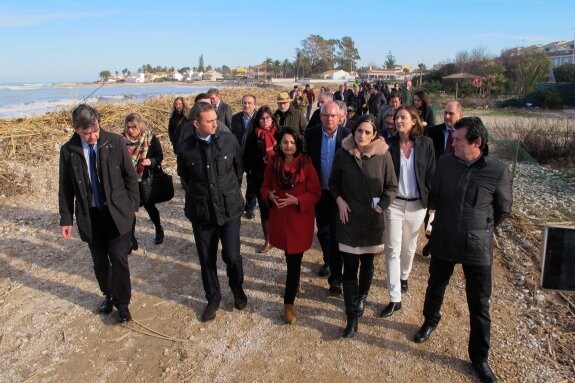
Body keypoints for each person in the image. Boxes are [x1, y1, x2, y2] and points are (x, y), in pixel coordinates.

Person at [413, 117, 512, 383]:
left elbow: (503, 209)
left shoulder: (497, 171)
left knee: (479, 302)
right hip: (444, 238)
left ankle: (479, 357)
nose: (452, 142)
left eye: (457, 139)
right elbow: (434, 198)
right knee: (435, 286)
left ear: (476, 143)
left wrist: (481, 228)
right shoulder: (445, 164)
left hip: (477, 246)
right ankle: (430, 320)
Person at [59, 104, 139, 323]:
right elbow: (65, 188)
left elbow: (130, 177)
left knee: (119, 258)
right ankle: (109, 295)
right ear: (76, 129)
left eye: (95, 130)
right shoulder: (68, 151)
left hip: (117, 213)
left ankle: (123, 304)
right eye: (87, 133)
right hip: (90, 216)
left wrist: (132, 206)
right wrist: (66, 219)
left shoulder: (115, 142)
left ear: (98, 123)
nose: (93, 136)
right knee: (100, 262)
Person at [177, 102, 247, 322]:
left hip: (229, 210)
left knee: (232, 256)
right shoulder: (186, 147)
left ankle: (237, 288)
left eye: (215, 119)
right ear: (196, 124)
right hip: (202, 213)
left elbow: (238, 171)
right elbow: (185, 178)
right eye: (209, 121)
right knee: (206, 260)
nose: (215, 124)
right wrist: (201, 197)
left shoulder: (229, 141)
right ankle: (213, 299)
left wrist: (227, 193)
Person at [329, 115, 397, 337]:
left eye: (368, 132)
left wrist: (381, 207)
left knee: (367, 265)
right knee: (349, 269)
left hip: (371, 220)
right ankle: (351, 317)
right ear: (353, 131)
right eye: (359, 131)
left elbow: (391, 187)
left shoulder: (383, 156)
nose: (363, 136)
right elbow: (333, 182)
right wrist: (339, 200)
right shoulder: (342, 154)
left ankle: (362, 298)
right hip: (348, 219)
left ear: (374, 134)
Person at [260, 127, 321, 324]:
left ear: (298, 144)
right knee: (289, 257)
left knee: (294, 262)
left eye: (292, 142)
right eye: (285, 142)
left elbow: (315, 192)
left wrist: (297, 200)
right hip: (280, 218)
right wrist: (269, 195)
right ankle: (294, 283)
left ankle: (288, 304)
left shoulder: (306, 164)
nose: (288, 146)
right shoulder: (273, 164)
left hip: (299, 220)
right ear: (280, 144)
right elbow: (265, 187)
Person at [380, 106, 435, 318]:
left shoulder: (426, 144)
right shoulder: (388, 145)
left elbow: (431, 174)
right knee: (392, 249)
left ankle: (404, 275)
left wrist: (433, 204)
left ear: (414, 121)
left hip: (417, 205)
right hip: (394, 204)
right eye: (397, 117)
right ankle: (395, 297)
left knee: (409, 247)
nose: (399, 120)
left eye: (404, 117)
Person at [305, 101, 350, 292]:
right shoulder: (311, 134)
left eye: (333, 115)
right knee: (323, 231)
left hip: (340, 195)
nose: (329, 119)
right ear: (320, 116)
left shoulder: (348, 137)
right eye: (326, 115)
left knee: (336, 233)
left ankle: (336, 278)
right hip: (319, 192)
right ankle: (328, 260)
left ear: (340, 117)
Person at [421, 101, 464, 257]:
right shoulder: (433, 132)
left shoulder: (467, 135)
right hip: (434, 179)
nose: (446, 116)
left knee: (450, 215)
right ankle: (431, 239)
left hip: (457, 181)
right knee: (430, 213)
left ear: (461, 115)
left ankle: (438, 244)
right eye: (445, 112)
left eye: (451, 113)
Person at [123, 113, 165, 250]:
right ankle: (131, 240)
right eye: (128, 127)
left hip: (146, 179)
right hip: (129, 181)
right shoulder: (121, 140)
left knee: (150, 207)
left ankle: (158, 229)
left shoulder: (150, 138)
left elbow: (159, 156)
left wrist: (150, 161)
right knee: (130, 211)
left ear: (139, 126)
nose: (130, 130)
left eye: (133, 127)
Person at [243, 106, 280, 253]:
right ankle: (268, 240)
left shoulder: (279, 133)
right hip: (260, 178)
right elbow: (246, 156)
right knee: (264, 209)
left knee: (279, 206)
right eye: (262, 118)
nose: (265, 121)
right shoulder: (253, 135)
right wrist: (250, 172)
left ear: (272, 119)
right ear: (258, 120)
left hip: (279, 177)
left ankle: (281, 235)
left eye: (268, 118)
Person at [230, 94, 258, 219]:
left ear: (254, 105)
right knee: (236, 183)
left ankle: (250, 207)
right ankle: (236, 206)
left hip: (253, 157)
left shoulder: (259, 118)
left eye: (249, 103)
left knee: (252, 185)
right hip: (237, 156)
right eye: (244, 103)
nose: (246, 105)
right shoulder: (235, 118)